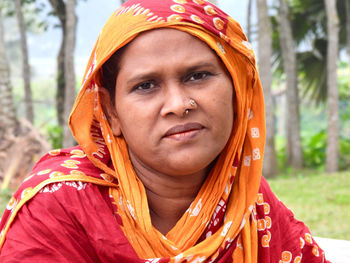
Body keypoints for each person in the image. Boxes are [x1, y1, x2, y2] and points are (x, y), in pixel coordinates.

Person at [0, 0, 329, 262]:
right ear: (111, 111)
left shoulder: (246, 200)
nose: (178, 104)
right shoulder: (59, 208)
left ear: (237, 90)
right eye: (146, 85)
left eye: (197, 75)